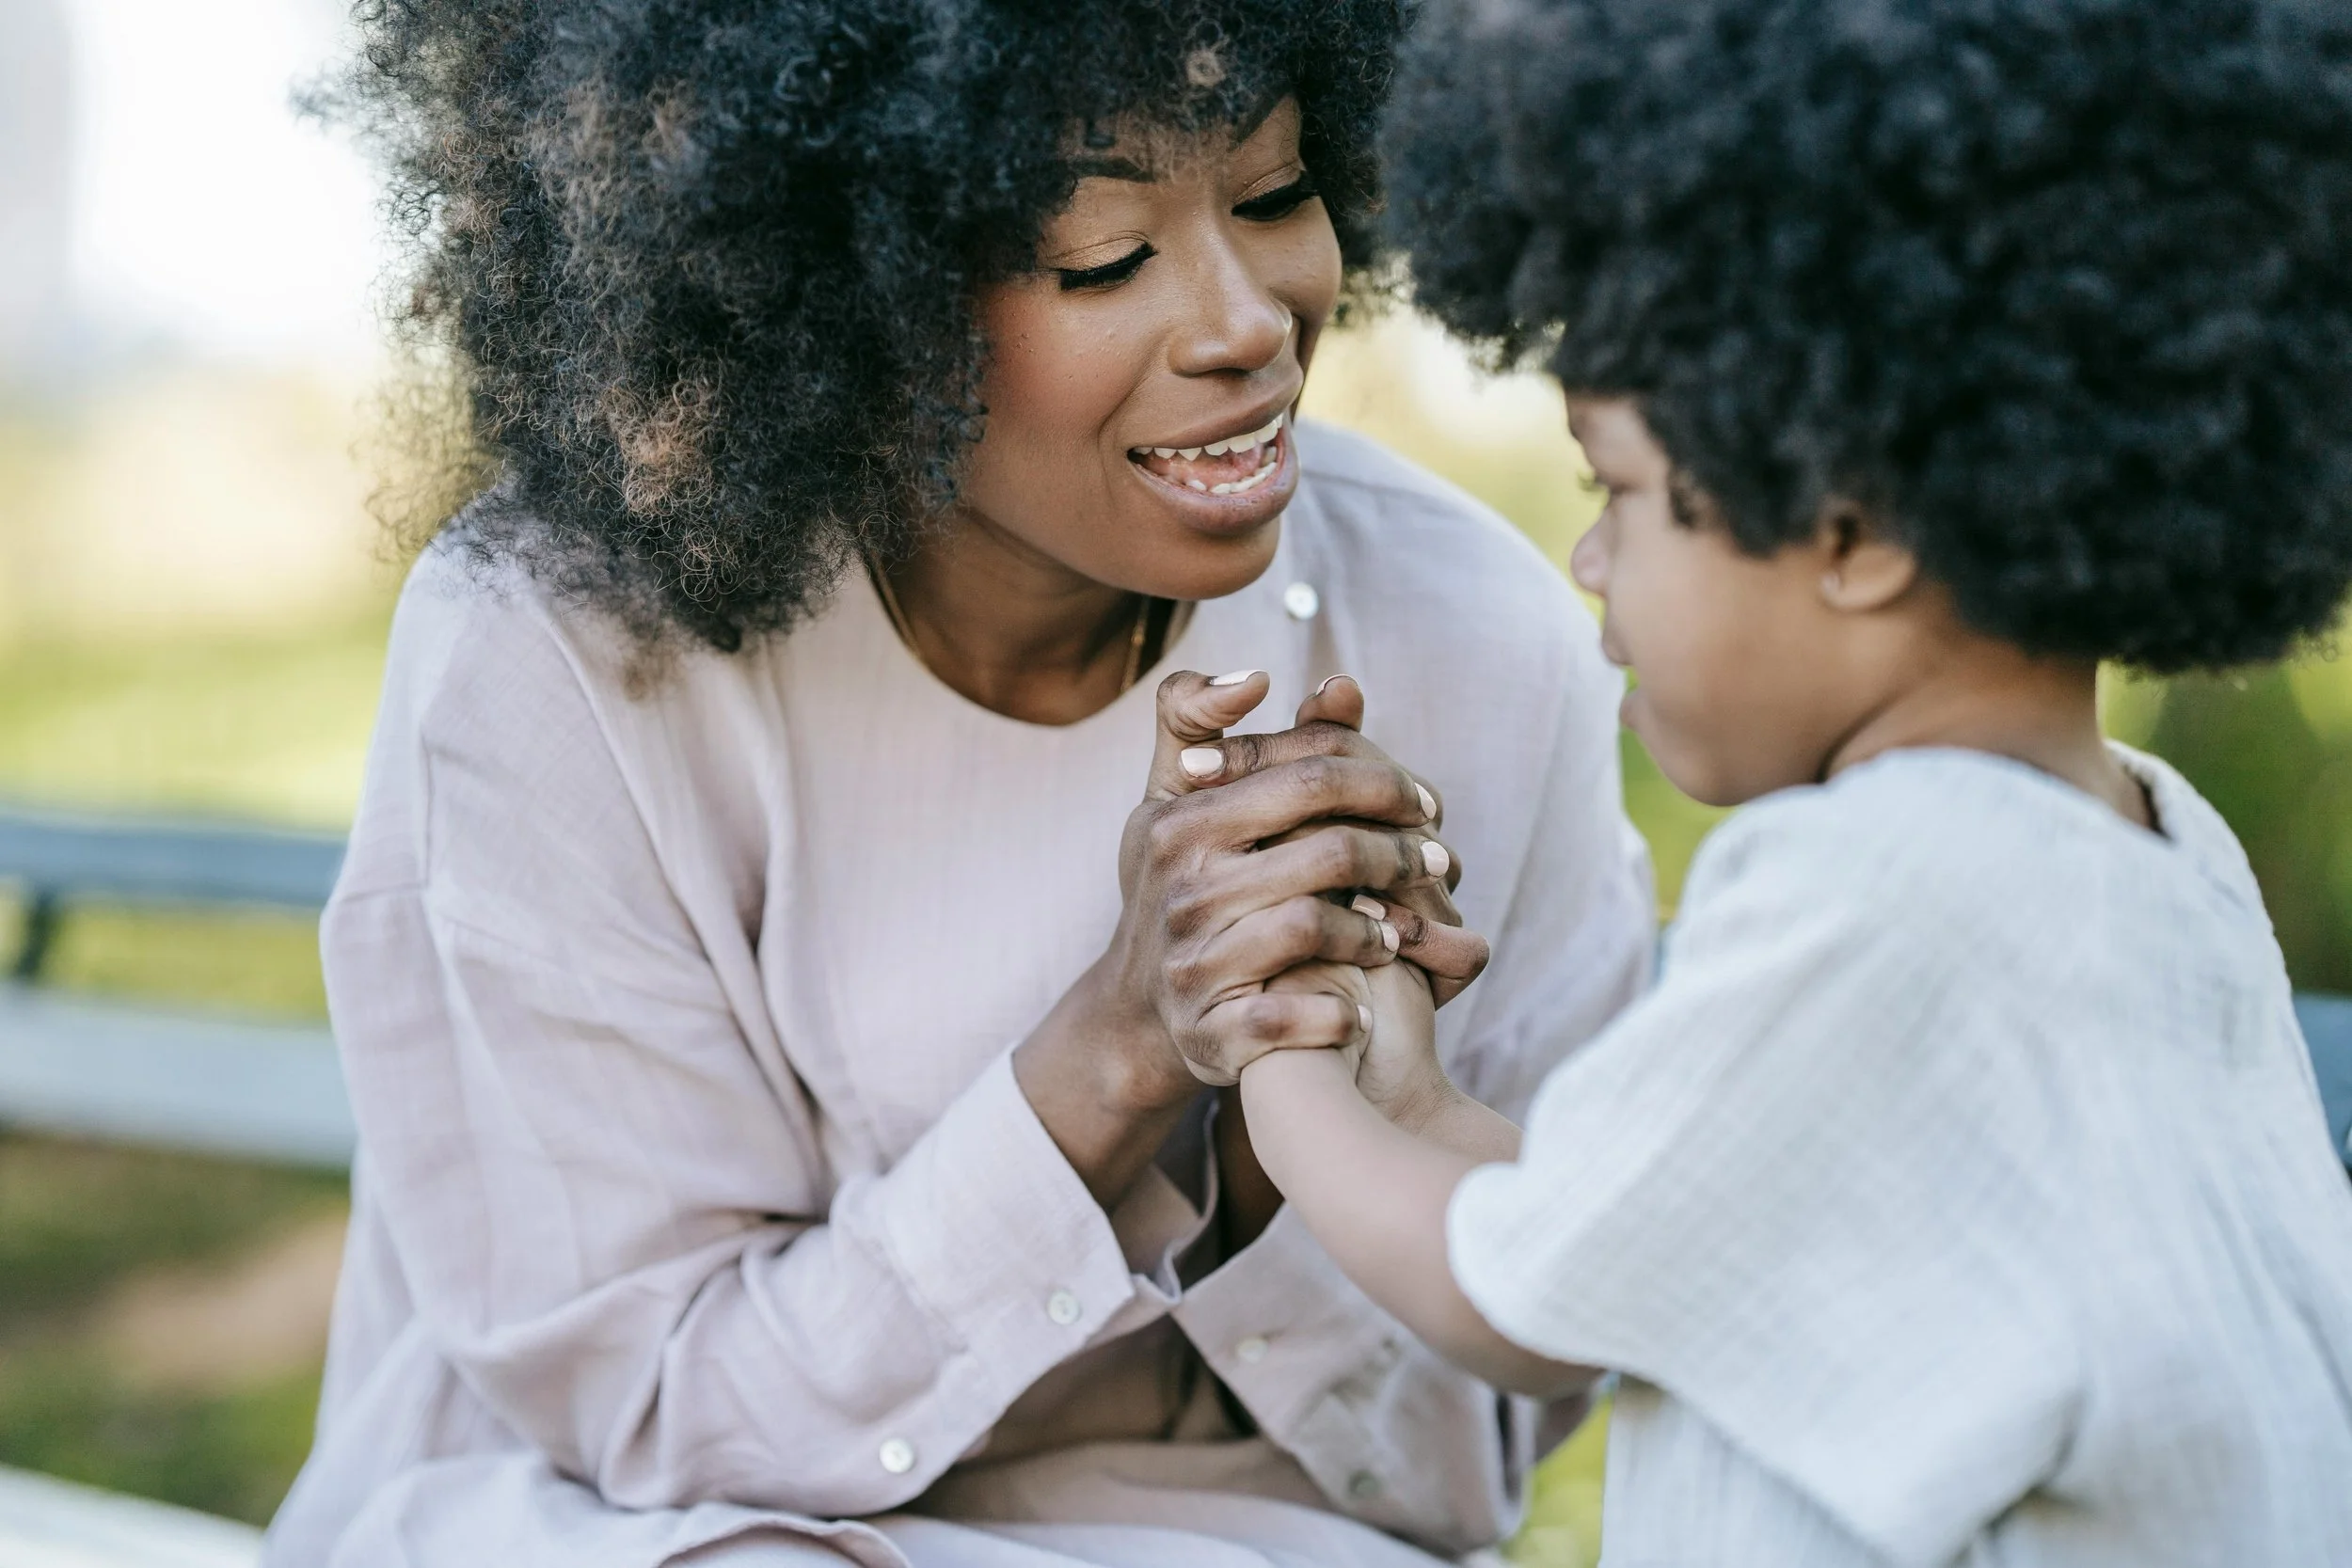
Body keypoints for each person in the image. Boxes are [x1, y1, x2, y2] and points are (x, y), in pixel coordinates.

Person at [264, 3, 1655, 1566]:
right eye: (1102, 255)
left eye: (1273, 195)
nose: (1246, 321)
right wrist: (1125, 1046)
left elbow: (1490, 1435)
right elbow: (642, 1410)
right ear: (844, 289)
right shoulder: (562, 659)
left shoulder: (1474, 636)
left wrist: (1293, 1152)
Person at [1231, 0, 2352, 1563]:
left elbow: (1522, 1302)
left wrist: (1273, 1064)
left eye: (1622, 487)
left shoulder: (1876, 887)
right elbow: (1659, 1221)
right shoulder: (2154, 846)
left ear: (1858, 528)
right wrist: (1411, 1100)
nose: (1589, 556)